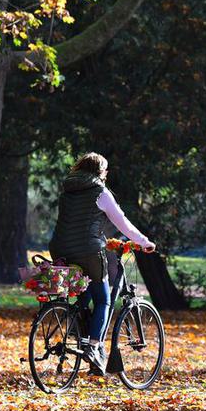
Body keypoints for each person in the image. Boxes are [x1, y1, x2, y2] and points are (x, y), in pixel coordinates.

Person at [49, 152, 155, 375]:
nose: (106, 174)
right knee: (104, 299)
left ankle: (79, 327)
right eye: (105, 170)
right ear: (100, 171)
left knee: (85, 291)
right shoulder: (100, 192)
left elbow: (77, 224)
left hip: (59, 248)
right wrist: (143, 242)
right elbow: (122, 222)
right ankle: (94, 346)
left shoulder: (67, 191)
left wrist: (102, 239)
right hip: (87, 251)